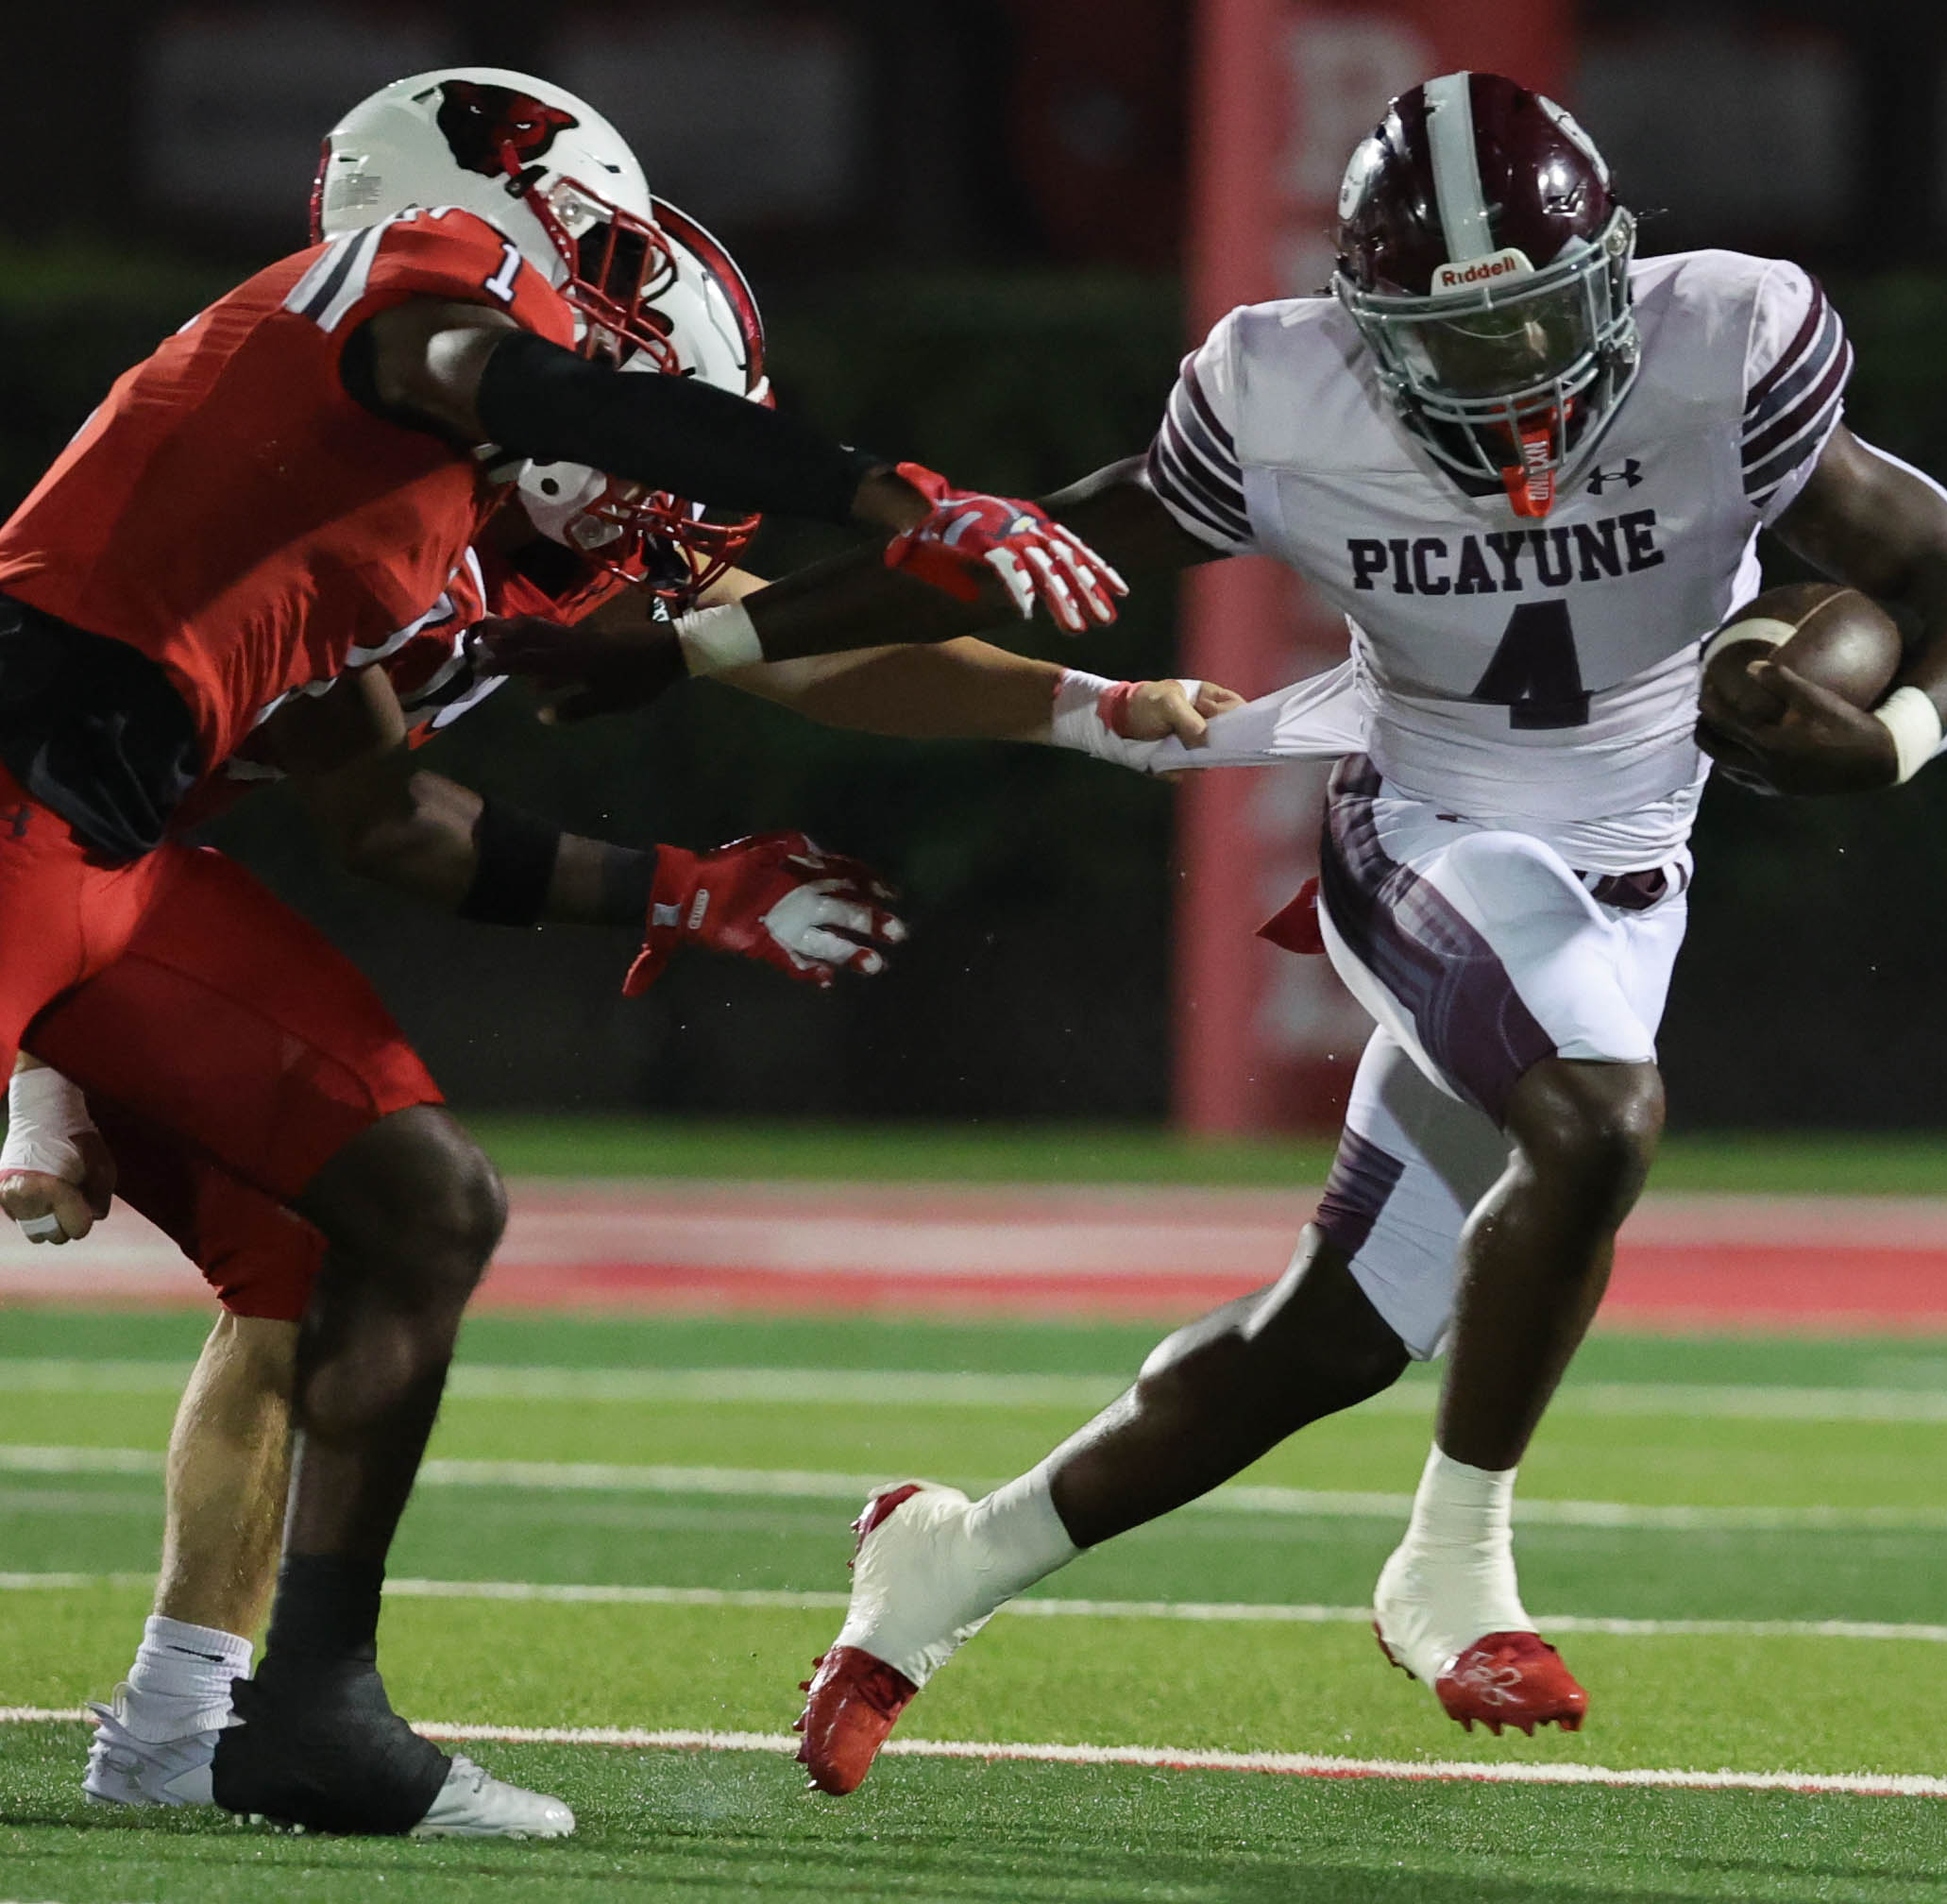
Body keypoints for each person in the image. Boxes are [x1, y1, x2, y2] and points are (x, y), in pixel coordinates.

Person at [486, 71, 1947, 1795]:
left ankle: (942, 1563)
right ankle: (1454, 1567)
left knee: (1333, 1339)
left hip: (1631, 868)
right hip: (1426, 818)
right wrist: (696, 645)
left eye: (1538, 325)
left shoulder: (1725, 348)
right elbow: (1032, 556)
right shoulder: (1286, 392)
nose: (1515, 381)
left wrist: (1890, 740)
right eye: (1459, 347)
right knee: (1600, 1118)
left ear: (1613, 279)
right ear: (1367, 336)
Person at [2, 198, 1227, 1826]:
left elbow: (395, 823)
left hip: (118, 845)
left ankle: (260, 1716)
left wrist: (696, 890)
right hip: (31, 775)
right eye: (643, 396)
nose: (671, 501)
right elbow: (536, 390)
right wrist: (883, 488)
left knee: (404, 1202)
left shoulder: (424, 535)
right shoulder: (413, 298)